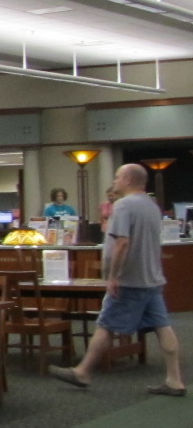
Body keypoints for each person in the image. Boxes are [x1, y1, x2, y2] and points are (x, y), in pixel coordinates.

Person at [52, 163, 183, 395]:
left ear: (128, 180)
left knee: (105, 325)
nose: (114, 181)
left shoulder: (123, 205)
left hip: (128, 280)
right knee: (163, 326)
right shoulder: (153, 206)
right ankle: (174, 379)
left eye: (117, 177)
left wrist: (112, 277)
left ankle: (82, 372)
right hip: (152, 278)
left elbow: (122, 243)